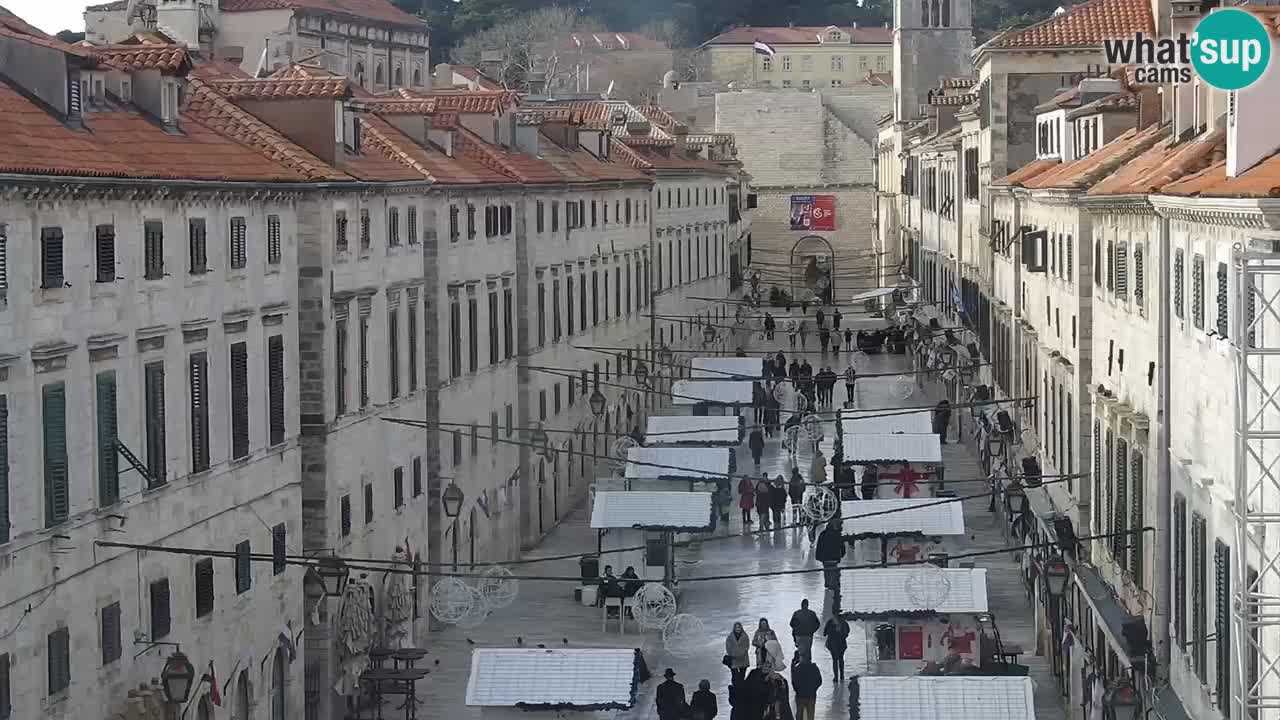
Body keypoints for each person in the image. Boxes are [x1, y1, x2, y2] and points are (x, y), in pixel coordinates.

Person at [815, 519, 846, 593]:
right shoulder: (837, 534)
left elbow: (819, 546)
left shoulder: (823, 534)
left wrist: (818, 557)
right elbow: (842, 546)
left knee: (827, 572)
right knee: (833, 572)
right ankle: (833, 587)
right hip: (834, 558)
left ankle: (828, 586)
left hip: (825, 558)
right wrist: (841, 554)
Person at [790, 656, 822, 720]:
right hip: (811, 695)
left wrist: (797, 690)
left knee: (799, 714)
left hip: (800, 695)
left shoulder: (797, 668)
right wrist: (813, 689)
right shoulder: (814, 668)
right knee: (810, 715)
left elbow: (794, 682)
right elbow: (819, 681)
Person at [823, 614, 850, 682]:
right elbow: (847, 632)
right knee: (841, 659)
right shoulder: (844, 622)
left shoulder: (830, 621)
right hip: (841, 643)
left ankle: (836, 677)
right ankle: (842, 676)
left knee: (834, 660)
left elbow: (824, 633)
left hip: (832, 643)